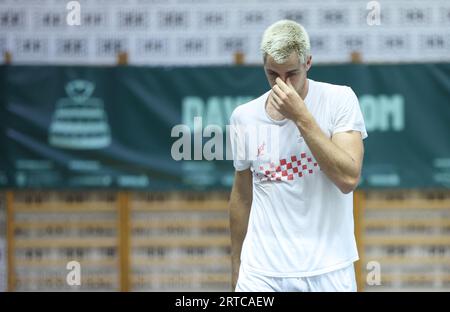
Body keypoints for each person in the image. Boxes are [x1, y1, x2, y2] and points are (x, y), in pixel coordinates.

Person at [228, 20, 367, 292]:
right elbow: (242, 196)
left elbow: (348, 177)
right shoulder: (244, 117)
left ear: (308, 63)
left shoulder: (339, 99)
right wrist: (236, 264)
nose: (282, 84)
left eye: (291, 73)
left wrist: (301, 116)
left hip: (329, 268)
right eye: (272, 74)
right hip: (261, 272)